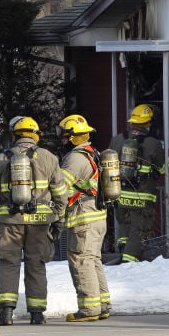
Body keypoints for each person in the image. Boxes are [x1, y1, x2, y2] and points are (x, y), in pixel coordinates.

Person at [0, 116, 67, 325]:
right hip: (40, 221)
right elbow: (61, 193)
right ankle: (37, 314)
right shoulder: (49, 158)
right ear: (36, 135)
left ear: (15, 136)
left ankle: (6, 313)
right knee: (36, 264)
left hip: (10, 220)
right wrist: (59, 219)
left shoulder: (2, 158)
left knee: (9, 263)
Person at [108, 103, 169, 263]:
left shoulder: (118, 140)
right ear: (148, 123)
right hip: (141, 198)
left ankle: (122, 256)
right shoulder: (153, 143)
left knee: (124, 229)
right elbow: (163, 168)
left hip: (119, 197)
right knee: (138, 232)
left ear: (131, 122)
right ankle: (129, 264)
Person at [58, 114, 111, 322]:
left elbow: (60, 187)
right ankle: (102, 304)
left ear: (73, 137)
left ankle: (89, 309)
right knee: (93, 260)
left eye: (65, 136)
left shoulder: (75, 158)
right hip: (97, 217)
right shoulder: (93, 153)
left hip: (84, 218)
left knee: (81, 261)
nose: (62, 140)